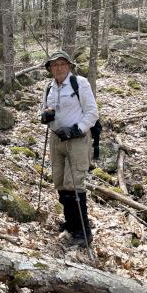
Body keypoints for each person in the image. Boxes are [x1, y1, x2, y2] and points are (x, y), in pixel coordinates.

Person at [40, 50, 99, 246]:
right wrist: (46, 116)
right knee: (60, 182)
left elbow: (92, 113)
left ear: (69, 66)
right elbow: (46, 109)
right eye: (54, 65)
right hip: (57, 140)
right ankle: (70, 224)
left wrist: (75, 130)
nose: (58, 68)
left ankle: (83, 232)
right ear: (50, 69)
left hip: (77, 140)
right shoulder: (50, 87)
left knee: (75, 184)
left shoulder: (79, 83)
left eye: (62, 64)